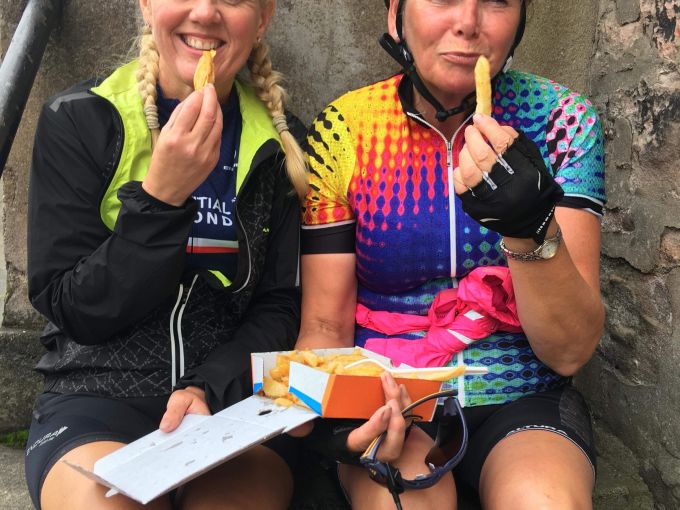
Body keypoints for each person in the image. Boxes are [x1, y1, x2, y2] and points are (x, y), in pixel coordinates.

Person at [298, 0, 605, 508]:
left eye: (496, 1)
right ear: (396, 15)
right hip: (385, 392)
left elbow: (569, 351)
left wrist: (529, 230)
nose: (467, 22)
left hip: (523, 391)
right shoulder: (342, 128)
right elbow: (324, 326)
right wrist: (333, 425)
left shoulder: (561, 120)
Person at [24, 1, 307, 509]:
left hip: (230, 405)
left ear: (262, 18)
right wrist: (160, 199)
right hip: (96, 400)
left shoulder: (281, 144)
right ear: (147, 4)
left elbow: (279, 306)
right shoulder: (82, 118)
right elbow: (73, 308)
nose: (206, 12)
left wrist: (208, 388)